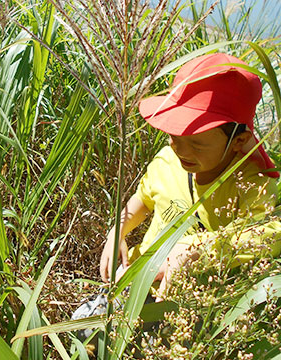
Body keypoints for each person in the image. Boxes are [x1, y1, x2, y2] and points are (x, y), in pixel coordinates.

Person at [99, 52, 279, 298]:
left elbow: (267, 234)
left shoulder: (251, 183)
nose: (180, 150)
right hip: (132, 280)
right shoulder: (167, 160)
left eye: (197, 145)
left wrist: (195, 250)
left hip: (186, 307)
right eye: (174, 135)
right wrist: (117, 231)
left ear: (239, 140)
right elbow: (142, 200)